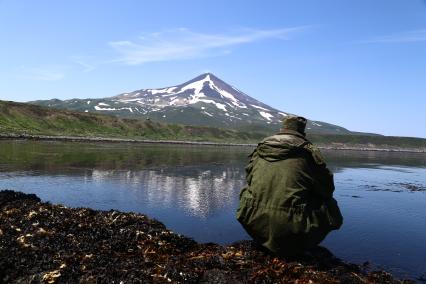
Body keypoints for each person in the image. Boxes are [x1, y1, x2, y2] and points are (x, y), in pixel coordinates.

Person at [236, 115, 343, 256]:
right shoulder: (307, 152)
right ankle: (296, 244)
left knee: (246, 190)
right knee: (329, 203)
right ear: (302, 132)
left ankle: (265, 238)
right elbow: (327, 189)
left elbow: (249, 178)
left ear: (282, 128)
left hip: (252, 220)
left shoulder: (261, 148)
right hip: (292, 228)